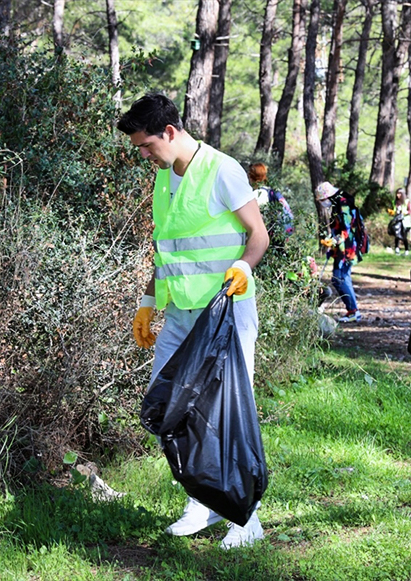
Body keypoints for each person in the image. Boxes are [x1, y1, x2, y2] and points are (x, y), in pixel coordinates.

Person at [117, 93, 270, 549]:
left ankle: (247, 519)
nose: (144, 155)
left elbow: (257, 235)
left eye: (146, 146)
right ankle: (200, 504)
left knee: (227, 411)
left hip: (225, 311)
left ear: (169, 132)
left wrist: (243, 267)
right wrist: (148, 300)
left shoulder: (221, 170)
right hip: (181, 313)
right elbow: (167, 249)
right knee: (171, 407)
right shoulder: (164, 179)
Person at [317, 181, 362, 323]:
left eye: (322, 200)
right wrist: (331, 241)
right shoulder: (337, 204)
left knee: (339, 278)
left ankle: (353, 311)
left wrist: (334, 241)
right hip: (342, 247)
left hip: (348, 248)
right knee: (341, 278)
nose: (322, 203)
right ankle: (352, 311)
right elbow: (338, 228)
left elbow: (347, 229)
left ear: (327, 197)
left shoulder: (342, 204)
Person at [248, 162, 294, 250]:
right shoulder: (271, 191)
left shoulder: (257, 195)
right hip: (278, 233)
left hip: (268, 236)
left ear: (251, 177)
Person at [387, 187, 411, 255]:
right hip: (397, 220)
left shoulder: (406, 201)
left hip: (405, 221)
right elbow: (392, 210)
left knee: (404, 236)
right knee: (396, 234)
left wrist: (404, 212)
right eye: (397, 194)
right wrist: (392, 212)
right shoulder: (394, 202)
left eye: (399, 194)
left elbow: (409, 211)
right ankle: (397, 249)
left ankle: (406, 250)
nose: (398, 195)